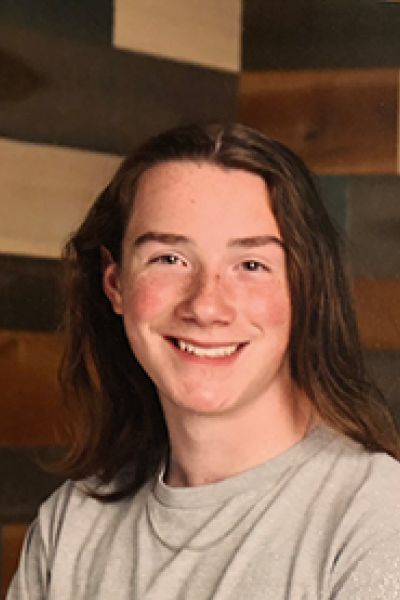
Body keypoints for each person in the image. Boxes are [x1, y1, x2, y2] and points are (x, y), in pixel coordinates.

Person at [7, 123, 400, 600]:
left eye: (251, 266)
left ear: (306, 288)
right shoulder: (69, 526)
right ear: (115, 283)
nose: (206, 306)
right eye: (169, 259)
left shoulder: (377, 520)